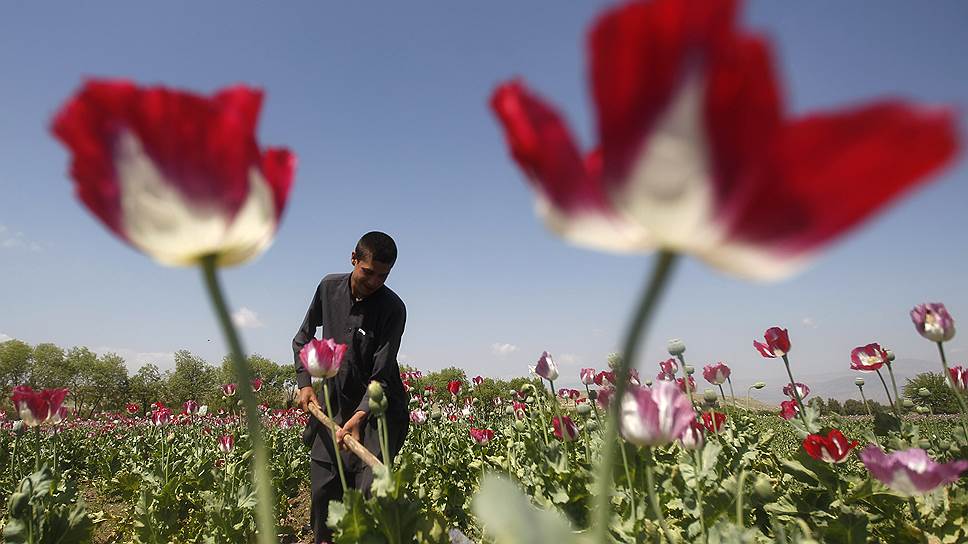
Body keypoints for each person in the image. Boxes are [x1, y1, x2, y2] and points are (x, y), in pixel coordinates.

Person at [292, 231, 409, 544]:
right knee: (323, 498)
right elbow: (302, 339)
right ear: (353, 259)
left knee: (366, 502)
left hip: (376, 414)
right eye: (368, 272)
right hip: (332, 405)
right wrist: (305, 384)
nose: (374, 282)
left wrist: (359, 416)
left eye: (383, 276)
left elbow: (381, 375)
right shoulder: (328, 288)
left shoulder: (393, 308)